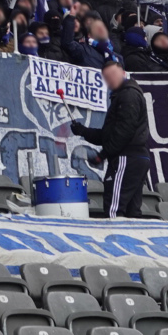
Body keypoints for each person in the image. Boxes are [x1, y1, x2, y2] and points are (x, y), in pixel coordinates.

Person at [69, 59, 150, 217]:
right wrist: (83, 131)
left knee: (114, 209)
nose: (111, 79)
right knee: (132, 212)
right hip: (136, 157)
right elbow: (110, 135)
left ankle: (113, 233)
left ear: (123, 73)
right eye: (107, 77)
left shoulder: (128, 95)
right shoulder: (125, 95)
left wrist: (103, 155)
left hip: (127, 157)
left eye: (114, 74)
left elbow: (124, 132)